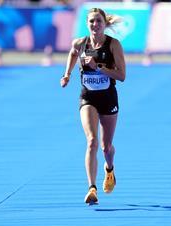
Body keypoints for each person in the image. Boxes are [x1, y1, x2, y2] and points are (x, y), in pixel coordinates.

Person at [60, 7, 126, 204]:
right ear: (87, 24)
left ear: (105, 24)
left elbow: (122, 76)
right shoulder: (80, 43)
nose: (95, 25)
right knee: (91, 141)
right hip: (88, 97)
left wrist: (98, 67)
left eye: (99, 21)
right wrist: (67, 74)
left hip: (108, 99)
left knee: (106, 148)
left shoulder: (113, 45)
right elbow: (72, 54)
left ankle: (110, 169)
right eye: (91, 21)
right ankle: (92, 188)